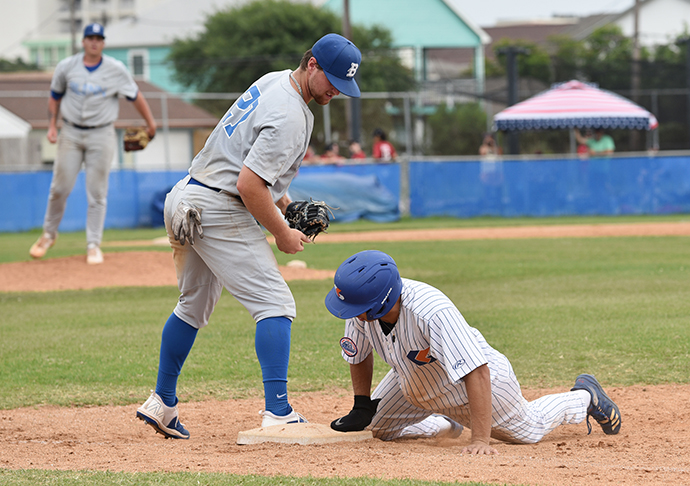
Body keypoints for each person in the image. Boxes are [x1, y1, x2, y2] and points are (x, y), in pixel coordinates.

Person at [135, 33, 362, 439]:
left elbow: (251, 165)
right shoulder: (292, 115)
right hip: (219, 207)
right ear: (312, 64)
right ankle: (278, 412)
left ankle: (162, 401)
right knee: (276, 302)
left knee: (193, 305)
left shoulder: (273, 81)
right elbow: (250, 185)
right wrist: (282, 233)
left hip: (188, 195)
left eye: (342, 86)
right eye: (331, 80)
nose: (335, 91)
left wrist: (286, 206)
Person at [325, 250, 621, 454]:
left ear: (380, 302)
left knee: (530, 430)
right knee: (377, 428)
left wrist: (480, 438)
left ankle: (583, 397)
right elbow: (359, 353)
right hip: (415, 380)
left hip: (478, 385)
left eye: (356, 308)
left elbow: (477, 371)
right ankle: (444, 423)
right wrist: (362, 404)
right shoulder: (362, 308)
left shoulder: (431, 311)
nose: (349, 313)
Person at [29, 23, 157, 265]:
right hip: (71, 133)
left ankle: (93, 245)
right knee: (60, 187)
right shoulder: (67, 67)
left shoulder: (115, 69)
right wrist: (52, 126)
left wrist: (151, 124)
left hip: (102, 134)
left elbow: (135, 95)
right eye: (90, 37)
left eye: (99, 38)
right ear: (83, 41)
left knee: (97, 192)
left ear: (103, 43)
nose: (94, 42)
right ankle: (48, 234)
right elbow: (54, 97)